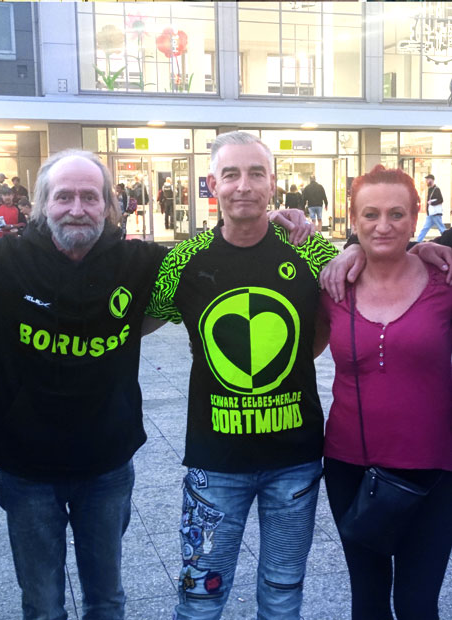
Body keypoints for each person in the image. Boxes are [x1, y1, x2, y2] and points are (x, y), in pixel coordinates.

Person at [144, 131, 338, 619]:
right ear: (213, 184)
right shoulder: (183, 261)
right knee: (199, 600)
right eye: (230, 174)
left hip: (294, 460)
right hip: (215, 461)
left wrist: (426, 253)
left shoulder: (311, 252)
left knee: (282, 595)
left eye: (256, 173)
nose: (243, 185)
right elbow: (137, 322)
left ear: (273, 183)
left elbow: (346, 300)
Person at [0, 150, 168, 620]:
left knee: (106, 599)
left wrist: (279, 226)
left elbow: (216, 256)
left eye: (90, 197)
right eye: (64, 197)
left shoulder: (138, 262)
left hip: (106, 465)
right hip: (27, 469)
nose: (77, 209)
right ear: (41, 205)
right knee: (42, 605)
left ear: (109, 206)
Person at [314, 165, 452, 620]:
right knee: (368, 601)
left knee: (417, 605)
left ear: (415, 218)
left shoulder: (445, 282)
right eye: (370, 214)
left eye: (396, 214)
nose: (383, 225)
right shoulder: (334, 285)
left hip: (434, 469)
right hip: (351, 466)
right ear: (353, 219)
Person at [416, 173, 446, 242]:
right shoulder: (430, 189)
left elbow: (441, 200)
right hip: (430, 214)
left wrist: (432, 203)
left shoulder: (437, 189)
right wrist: (427, 211)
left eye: (428, 179)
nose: (426, 181)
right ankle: (417, 242)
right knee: (425, 228)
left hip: (436, 213)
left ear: (432, 180)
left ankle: (448, 240)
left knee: (442, 229)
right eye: (426, 180)